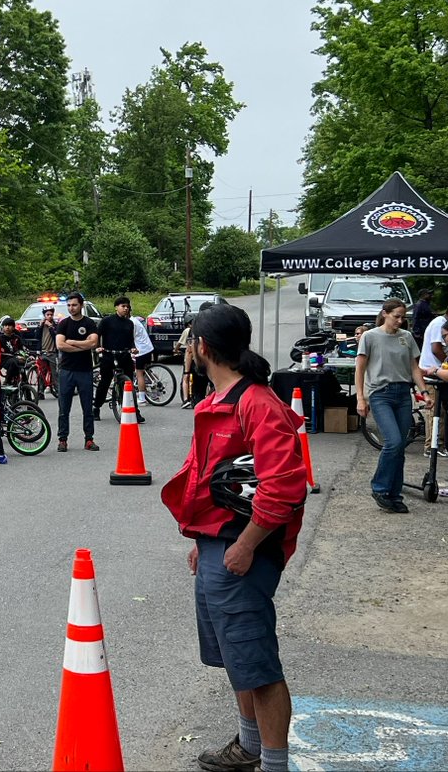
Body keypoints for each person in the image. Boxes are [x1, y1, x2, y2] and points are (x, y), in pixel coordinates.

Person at [160, 303, 308, 772]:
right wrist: (202, 539)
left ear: (202, 348)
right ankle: (249, 748)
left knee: (257, 663)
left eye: (189, 343)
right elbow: (214, 484)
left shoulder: (256, 404)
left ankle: (274, 765)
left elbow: (284, 486)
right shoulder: (216, 403)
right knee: (236, 657)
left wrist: (244, 545)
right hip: (218, 545)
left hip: (243, 551)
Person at [355, 298, 428, 514]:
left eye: (402, 317)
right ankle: (380, 487)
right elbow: (359, 369)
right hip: (381, 394)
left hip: (403, 394)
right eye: (396, 316)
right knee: (393, 442)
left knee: (400, 446)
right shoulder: (370, 336)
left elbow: (414, 367)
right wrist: (361, 397)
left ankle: (394, 494)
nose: (400, 320)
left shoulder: (406, 337)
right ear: (384, 313)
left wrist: (423, 391)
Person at [55, 292, 99, 452]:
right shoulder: (63, 324)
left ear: (81, 305)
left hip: (85, 371)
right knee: (63, 408)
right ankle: (62, 439)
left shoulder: (89, 323)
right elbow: (60, 345)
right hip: (66, 371)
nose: (71, 308)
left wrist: (72, 342)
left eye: (74, 305)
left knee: (87, 407)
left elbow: (93, 343)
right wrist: (82, 345)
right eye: (68, 305)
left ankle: (89, 439)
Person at [94, 296, 139, 423]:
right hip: (109, 355)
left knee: (128, 383)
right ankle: (96, 407)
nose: (125, 309)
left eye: (127, 307)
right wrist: (98, 347)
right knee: (105, 381)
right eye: (123, 306)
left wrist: (133, 348)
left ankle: (134, 410)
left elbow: (131, 340)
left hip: (124, 355)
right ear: (116, 307)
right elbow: (98, 335)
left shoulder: (129, 323)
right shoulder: (107, 321)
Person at [416, 308, 448, 457]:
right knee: (435, 411)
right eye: (445, 336)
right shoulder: (440, 323)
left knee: (439, 410)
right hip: (431, 373)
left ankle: (438, 444)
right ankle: (432, 446)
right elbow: (436, 348)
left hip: (438, 373)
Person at [131, 313, 154, 409]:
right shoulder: (135, 320)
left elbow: (129, 338)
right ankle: (155, 389)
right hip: (148, 348)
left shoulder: (131, 323)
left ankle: (142, 398)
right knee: (146, 371)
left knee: (139, 373)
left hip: (141, 350)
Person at [0, 314, 24, 387]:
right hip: (5, 359)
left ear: (13, 327)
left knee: (23, 371)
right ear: (3, 327)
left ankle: (27, 393)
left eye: (9, 325)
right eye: (6, 325)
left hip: (16, 358)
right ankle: (7, 381)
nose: (7, 327)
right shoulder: (0, 339)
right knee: (13, 362)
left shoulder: (16, 338)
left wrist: (24, 355)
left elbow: (21, 348)